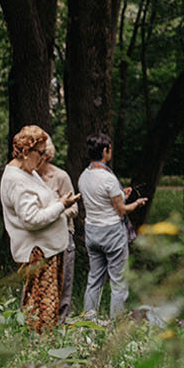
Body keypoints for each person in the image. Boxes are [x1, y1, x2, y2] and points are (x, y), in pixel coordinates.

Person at [0, 125, 79, 332]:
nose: (44, 158)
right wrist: (61, 206)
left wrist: (60, 202)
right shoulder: (17, 180)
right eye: (41, 152)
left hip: (48, 250)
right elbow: (31, 219)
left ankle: (43, 350)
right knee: (41, 310)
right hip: (39, 253)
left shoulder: (28, 173)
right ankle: (38, 354)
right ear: (26, 152)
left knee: (48, 308)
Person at [79, 133, 146, 318]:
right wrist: (137, 203)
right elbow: (122, 210)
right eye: (110, 149)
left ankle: (88, 323)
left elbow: (102, 200)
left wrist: (121, 194)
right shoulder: (108, 178)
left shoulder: (84, 176)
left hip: (91, 231)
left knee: (94, 280)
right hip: (111, 233)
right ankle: (116, 324)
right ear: (104, 151)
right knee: (118, 281)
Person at [37, 134, 78, 322]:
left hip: (62, 236)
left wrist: (55, 212)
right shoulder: (29, 177)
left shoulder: (60, 176)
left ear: (47, 155)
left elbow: (74, 208)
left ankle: (60, 325)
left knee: (63, 283)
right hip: (38, 237)